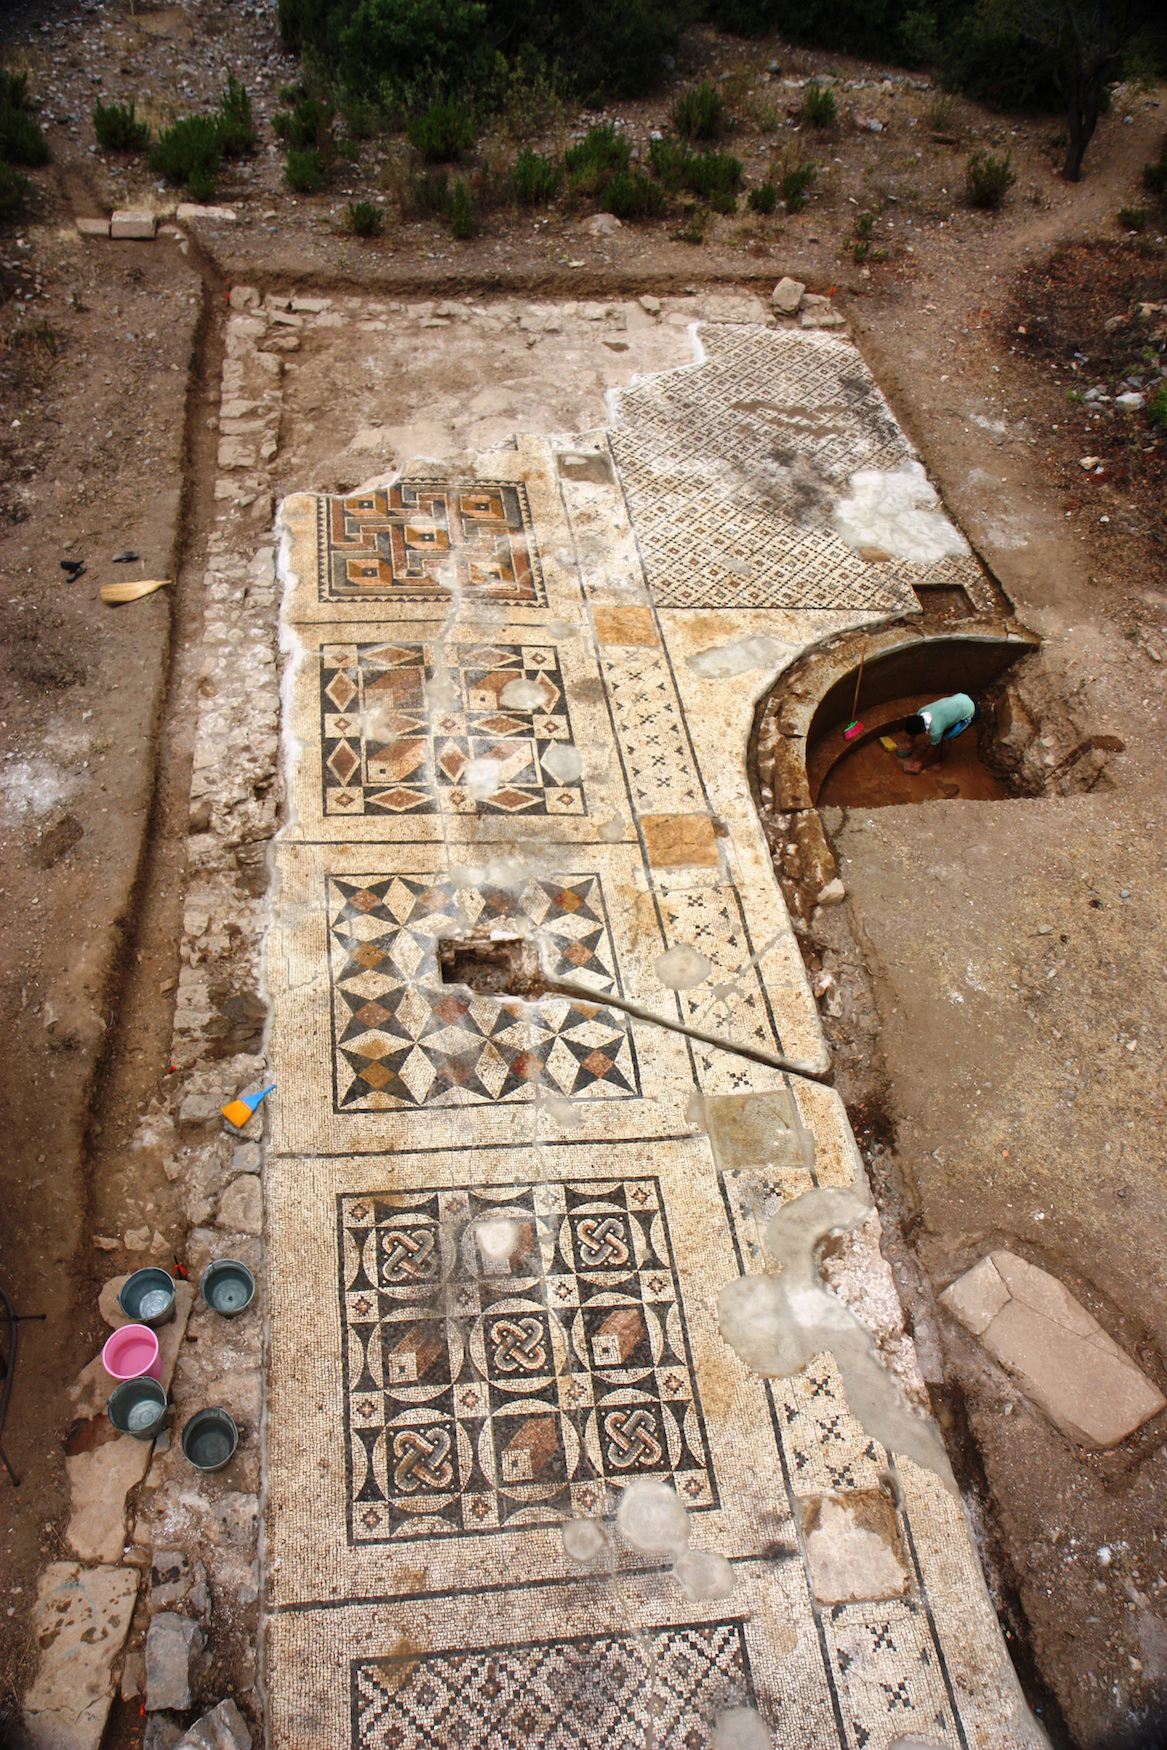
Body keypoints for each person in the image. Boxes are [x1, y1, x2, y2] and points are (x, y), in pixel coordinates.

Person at [896, 693, 980, 773]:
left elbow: (933, 748)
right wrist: (909, 742)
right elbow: (914, 726)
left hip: (971, 711)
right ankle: (935, 742)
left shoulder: (936, 730)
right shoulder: (922, 711)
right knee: (940, 735)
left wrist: (920, 762)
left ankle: (940, 762)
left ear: (922, 730)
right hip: (961, 699)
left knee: (945, 739)